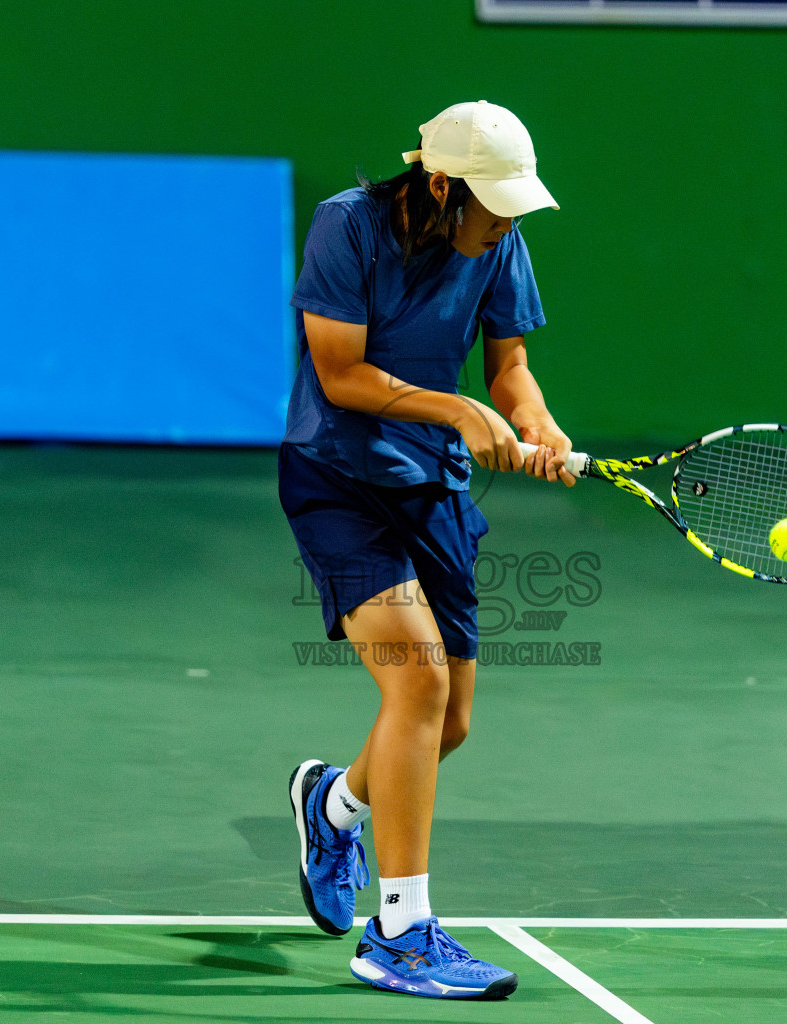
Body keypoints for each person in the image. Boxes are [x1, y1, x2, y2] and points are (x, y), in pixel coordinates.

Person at [280, 100, 574, 1000]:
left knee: (448, 723)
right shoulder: (348, 227)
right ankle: (400, 932)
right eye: (493, 206)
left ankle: (332, 806)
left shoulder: (500, 237)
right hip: (338, 477)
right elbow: (341, 373)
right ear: (440, 185)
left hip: (431, 486)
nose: (506, 222)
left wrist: (534, 420)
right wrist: (458, 410)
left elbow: (509, 367)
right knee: (418, 682)